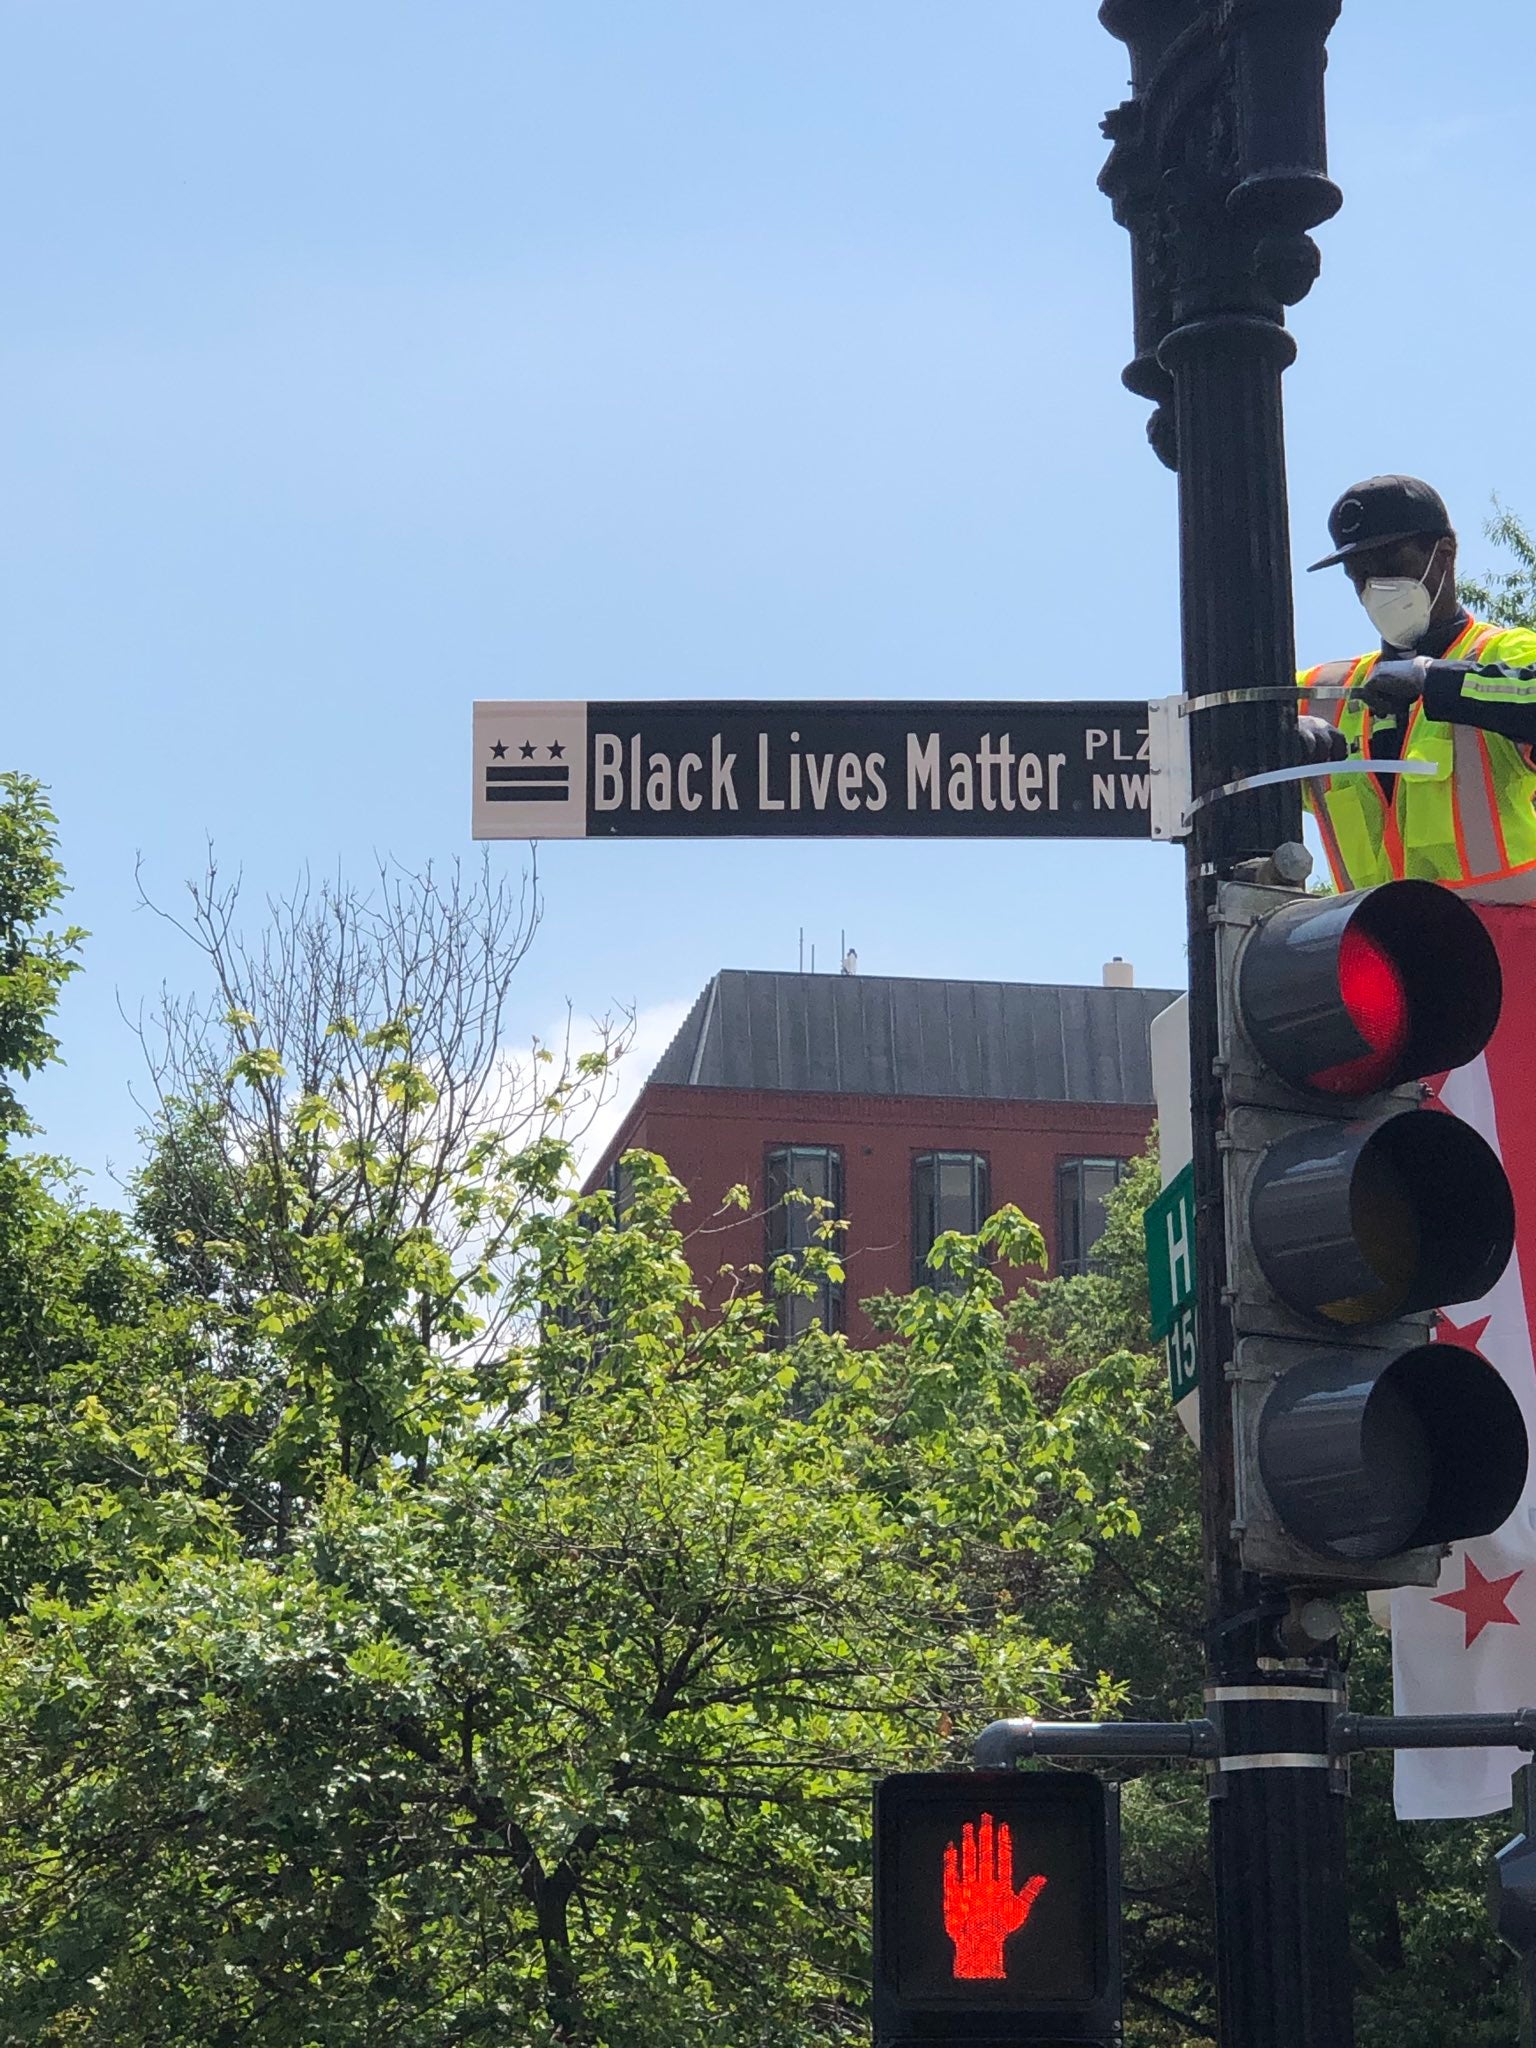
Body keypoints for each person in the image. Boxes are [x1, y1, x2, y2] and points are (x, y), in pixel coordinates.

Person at [1297, 474, 1536, 901]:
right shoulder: (1325, 692)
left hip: (1511, 945)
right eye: (1359, 576)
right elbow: (1206, 748)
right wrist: (1266, 739)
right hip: (1382, 953)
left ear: (1445, 554)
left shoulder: (1503, 655)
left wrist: (1434, 679)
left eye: (1391, 565)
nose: (1375, 588)